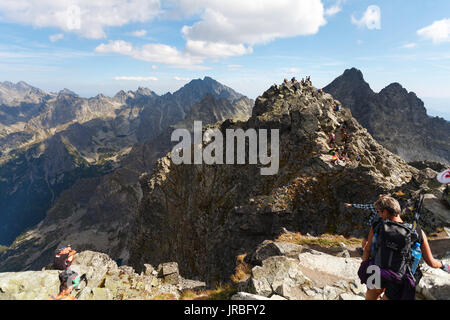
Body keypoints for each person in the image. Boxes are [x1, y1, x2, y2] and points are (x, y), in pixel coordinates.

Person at [358, 196, 449, 300]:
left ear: (386, 212)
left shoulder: (377, 225)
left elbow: (367, 249)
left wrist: (364, 265)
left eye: (379, 212)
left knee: (371, 295)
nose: (378, 214)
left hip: (376, 270)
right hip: (399, 277)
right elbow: (431, 262)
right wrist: (443, 265)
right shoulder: (417, 232)